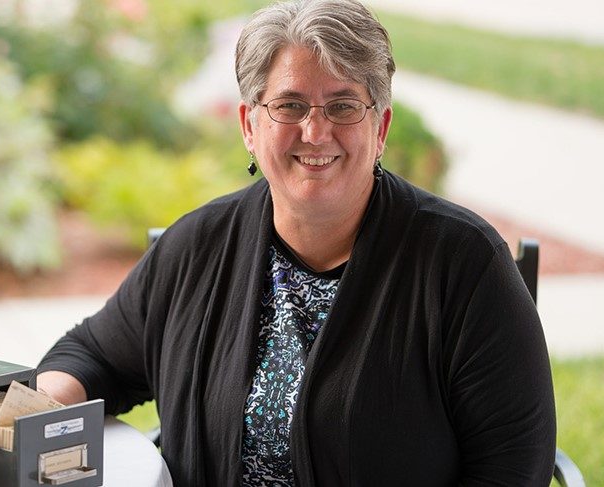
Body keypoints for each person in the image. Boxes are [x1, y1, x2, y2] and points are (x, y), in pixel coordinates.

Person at [35, 0, 557, 485]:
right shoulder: (197, 244)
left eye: (343, 106)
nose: (314, 131)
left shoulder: (463, 264)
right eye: (289, 105)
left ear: (380, 129)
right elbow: (90, 355)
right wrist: (40, 411)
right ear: (248, 125)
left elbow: (513, 467)